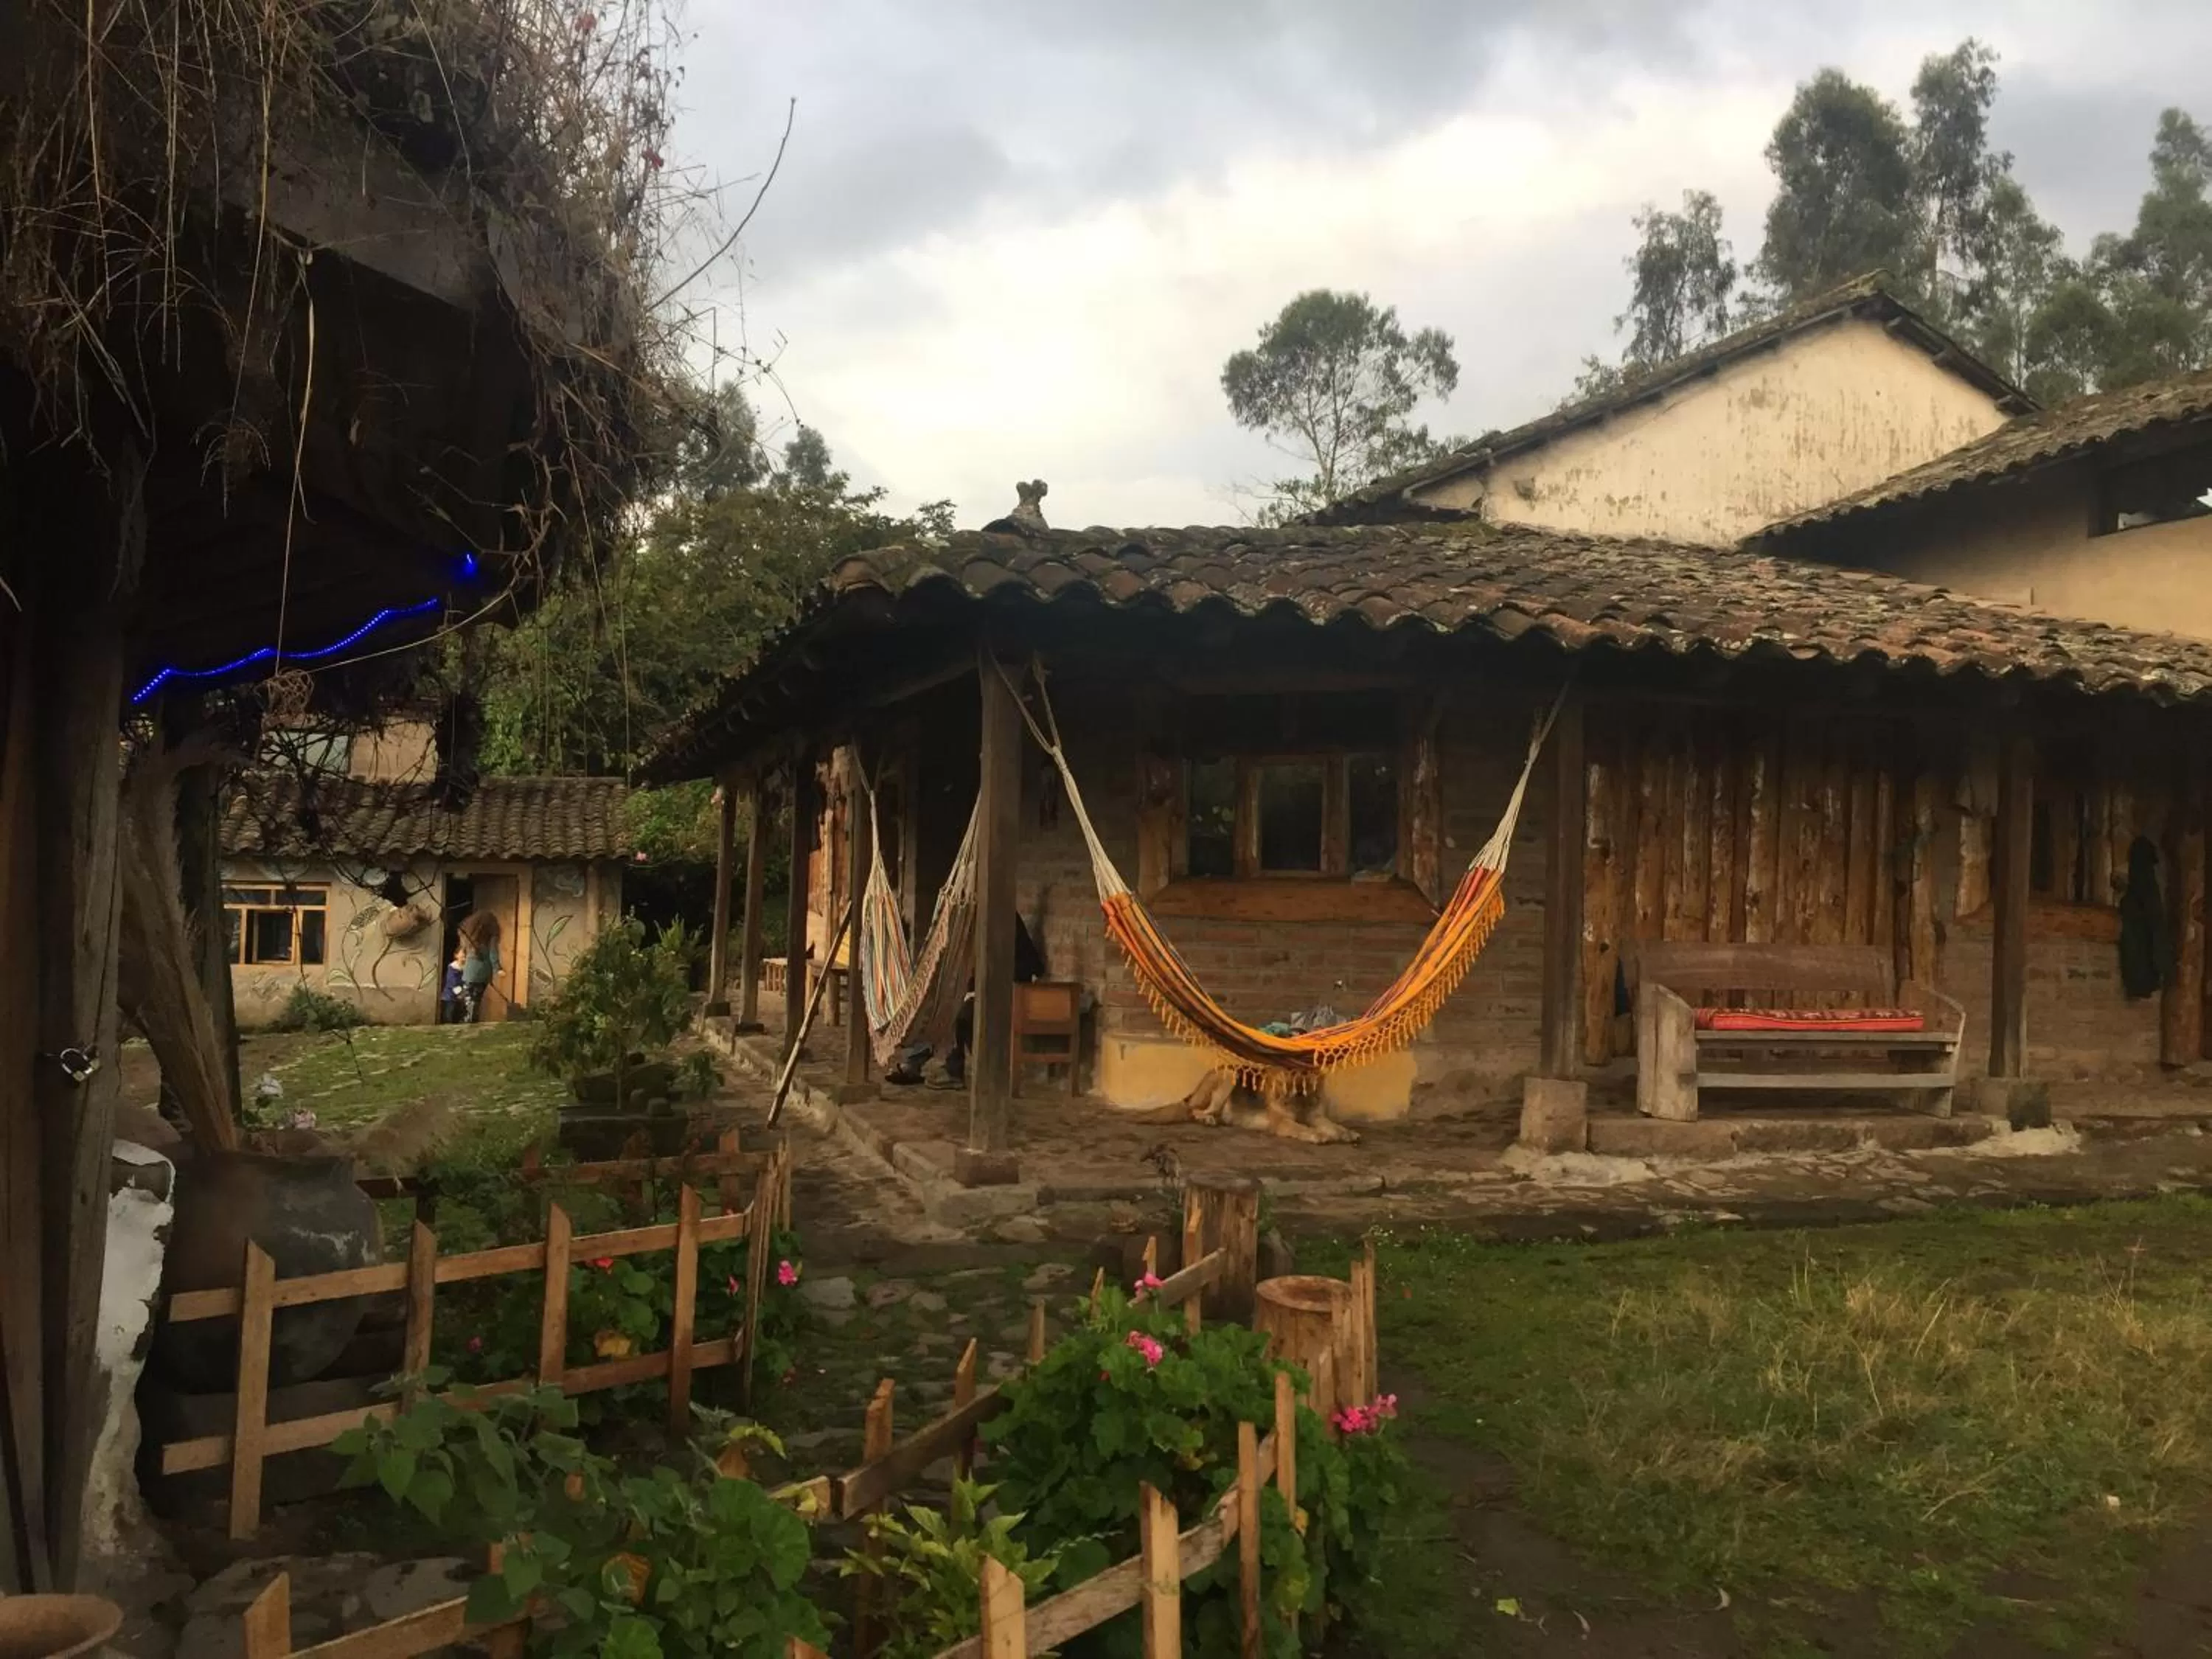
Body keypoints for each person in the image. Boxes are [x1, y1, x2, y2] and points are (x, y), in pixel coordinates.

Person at [458, 909, 502, 1023]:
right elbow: (493, 953)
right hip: (483, 973)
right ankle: (471, 1021)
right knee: (476, 1000)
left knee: (469, 1001)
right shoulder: (490, 938)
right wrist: (497, 969)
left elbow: (463, 953)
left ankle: (468, 1021)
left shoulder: (468, 937)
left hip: (469, 973)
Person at [439, 943, 467, 1024]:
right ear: (456, 955)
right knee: (449, 1016)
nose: (464, 956)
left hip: (460, 997)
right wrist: (461, 993)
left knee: (457, 1016)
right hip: (449, 997)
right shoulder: (452, 968)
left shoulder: (466, 968)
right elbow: (452, 983)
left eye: (465, 955)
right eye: (462, 954)